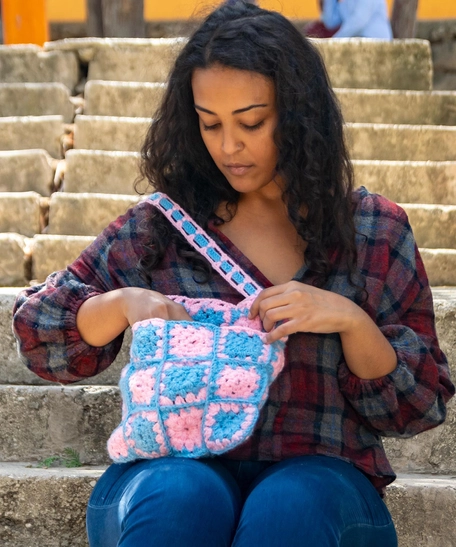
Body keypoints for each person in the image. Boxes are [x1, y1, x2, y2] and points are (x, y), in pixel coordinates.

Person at [12, 2, 454, 546]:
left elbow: (421, 403)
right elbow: (37, 330)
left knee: (289, 507)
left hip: (323, 487)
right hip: (164, 479)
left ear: (298, 114)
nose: (228, 146)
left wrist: (350, 321)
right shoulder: (164, 226)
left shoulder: (371, 232)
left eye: (251, 122)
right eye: (209, 123)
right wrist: (123, 303)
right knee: (182, 497)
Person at [321, 0, 393, 39]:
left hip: (376, 42)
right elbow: (330, 22)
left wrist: (334, 41)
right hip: (356, 41)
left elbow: (359, 21)